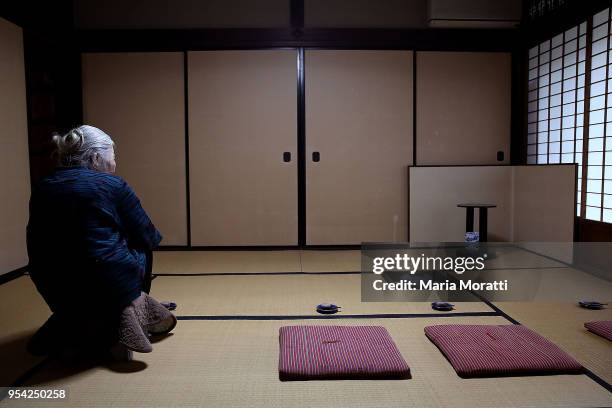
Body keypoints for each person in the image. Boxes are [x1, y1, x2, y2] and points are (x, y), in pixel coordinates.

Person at [26, 125, 175, 358]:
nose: (114, 164)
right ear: (96, 157)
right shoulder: (113, 185)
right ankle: (132, 306)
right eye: (112, 157)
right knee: (141, 246)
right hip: (106, 279)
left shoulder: (44, 185)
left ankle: (71, 318)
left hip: (51, 280)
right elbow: (147, 235)